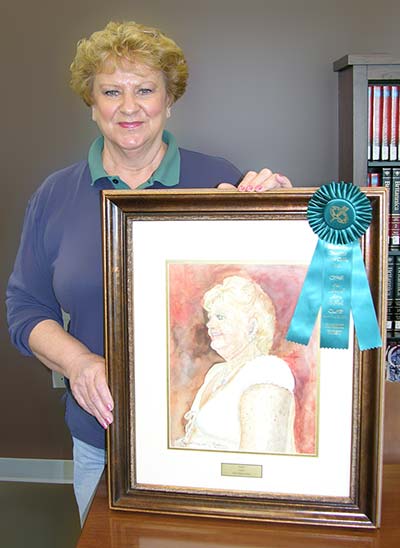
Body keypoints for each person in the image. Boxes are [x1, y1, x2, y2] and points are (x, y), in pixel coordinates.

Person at [6, 21, 292, 524]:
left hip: (209, 443)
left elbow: (272, 286)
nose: (129, 106)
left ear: (169, 99)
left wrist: (283, 215)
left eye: (145, 90)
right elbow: (25, 309)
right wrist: (78, 363)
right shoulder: (55, 195)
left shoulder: (220, 181)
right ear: (92, 104)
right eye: (111, 91)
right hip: (104, 437)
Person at [176, 276, 296, 453]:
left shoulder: (268, 371)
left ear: (252, 326)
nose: (210, 325)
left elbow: (260, 460)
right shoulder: (216, 372)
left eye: (220, 317)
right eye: (210, 317)